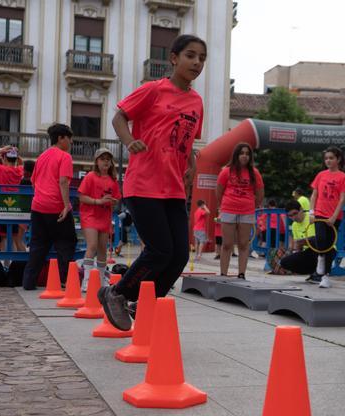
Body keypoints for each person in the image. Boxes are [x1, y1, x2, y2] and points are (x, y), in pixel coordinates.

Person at [98, 34, 206, 331]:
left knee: (179, 255)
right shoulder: (154, 90)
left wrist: (192, 166)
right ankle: (117, 293)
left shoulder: (197, 101)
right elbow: (119, 117)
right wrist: (130, 141)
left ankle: (142, 302)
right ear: (174, 58)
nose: (197, 62)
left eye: (202, 58)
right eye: (190, 55)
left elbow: (187, 142)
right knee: (159, 250)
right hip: (144, 183)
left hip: (173, 187)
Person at [22, 123, 78, 290]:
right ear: (61, 138)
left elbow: (33, 182)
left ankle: (29, 282)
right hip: (56, 206)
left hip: (38, 206)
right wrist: (66, 205)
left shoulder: (41, 157)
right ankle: (64, 280)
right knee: (66, 242)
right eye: (70, 139)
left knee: (38, 245)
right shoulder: (64, 157)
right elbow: (63, 181)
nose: (71, 143)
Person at [216, 143, 265, 280]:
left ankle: (241, 274)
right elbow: (219, 192)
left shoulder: (254, 173)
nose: (244, 156)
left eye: (247, 153)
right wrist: (224, 206)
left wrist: (251, 206)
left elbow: (260, 194)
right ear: (236, 155)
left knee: (243, 244)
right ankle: (223, 274)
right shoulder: (226, 171)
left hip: (247, 212)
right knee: (227, 244)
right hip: (228, 210)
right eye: (241, 153)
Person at [306, 147, 345, 288]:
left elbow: (342, 198)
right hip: (319, 213)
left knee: (330, 244)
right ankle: (320, 257)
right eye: (326, 158)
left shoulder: (342, 177)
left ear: (338, 159)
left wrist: (334, 216)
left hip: (334, 217)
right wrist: (311, 213)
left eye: (331, 158)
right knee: (320, 239)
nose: (328, 161)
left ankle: (326, 275)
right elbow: (314, 194)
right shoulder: (321, 175)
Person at [78, 147, 121, 291]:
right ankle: (87, 280)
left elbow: (116, 199)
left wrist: (113, 202)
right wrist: (99, 201)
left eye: (108, 159)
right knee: (92, 246)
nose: (106, 162)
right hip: (90, 215)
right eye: (102, 159)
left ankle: (102, 280)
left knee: (103, 248)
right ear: (96, 161)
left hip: (105, 216)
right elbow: (81, 196)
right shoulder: (90, 176)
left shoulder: (113, 180)